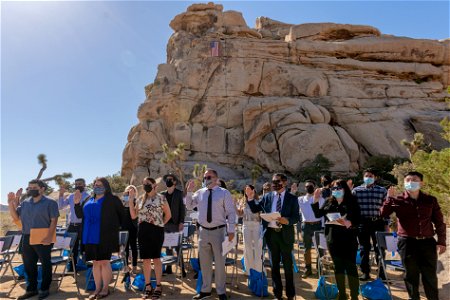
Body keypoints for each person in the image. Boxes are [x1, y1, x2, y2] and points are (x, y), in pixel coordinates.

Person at [380, 171, 446, 300]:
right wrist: (388, 199)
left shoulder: (430, 200)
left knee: (430, 276)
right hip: (407, 243)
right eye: (408, 180)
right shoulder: (396, 200)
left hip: (427, 243)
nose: (411, 182)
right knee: (411, 276)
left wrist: (442, 241)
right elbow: (383, 214)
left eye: (414, 179)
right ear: (404, 183)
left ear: (421, 182)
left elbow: (439, 222)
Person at [246, 173, 300, 300]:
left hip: (285, 235)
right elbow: (255, 209)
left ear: (284, 182)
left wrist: (287, 221)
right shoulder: (268, 196)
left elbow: (296, 217)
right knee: (274, 266)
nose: (275, 184)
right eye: (273, 182)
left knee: (287, 266)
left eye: (277, 182)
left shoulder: (292, 198)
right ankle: (278, 294)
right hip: (271, 235)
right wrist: (250, 198)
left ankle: (290, 295)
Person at [185, 169, 236, 300]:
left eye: (209, 177)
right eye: (204, 177)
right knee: (205, 263)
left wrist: (231, 230)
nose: (206, 179)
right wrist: (189, 191)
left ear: (216, 178)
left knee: (219, 263)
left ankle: (221, 291)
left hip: (219, 232)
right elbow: (189, 206)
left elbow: (231, 212)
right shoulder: (199, 193)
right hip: (202, 232)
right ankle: (205, 290)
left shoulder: (224, 193)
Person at [7, 179, 59, 300]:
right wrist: (10, 203)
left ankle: (45, 289)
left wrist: (49, 237)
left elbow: (54, 220)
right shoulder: (25, 203)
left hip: (44, 237)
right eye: (29, 188)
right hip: (26, 236)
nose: (31, 190)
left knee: (45, 264)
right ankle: (31, 289)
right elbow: (16, 217)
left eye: (34, 187)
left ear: (42, 189)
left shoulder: (50, 203)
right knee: (29, 265)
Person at [74, 177, 124, 299]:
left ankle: (105, 288)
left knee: (104, 262)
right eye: (95, 185)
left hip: (105, 236)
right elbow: (80, 215)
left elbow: (122, 216)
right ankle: (97, 289)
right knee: (95, 263)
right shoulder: (88, 199)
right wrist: (76, 204)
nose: (97, 187)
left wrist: (116, 231)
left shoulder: (113, 200)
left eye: (99, 185)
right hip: (89, 236)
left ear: (106, 186)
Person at [311, 179, 361, 300]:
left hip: (349, 239)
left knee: (350, 267)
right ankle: (342, 294)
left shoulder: (352, 202)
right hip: (333, 239)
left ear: (345, 189)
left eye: (338, 188)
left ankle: (354, 295)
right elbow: (318, 214)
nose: (336, 191)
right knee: (338, 267)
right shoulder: (329, 202)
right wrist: (315, 200)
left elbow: (359, 220)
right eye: (334, 189)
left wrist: (349, 223)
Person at [129, 177, 171, 300]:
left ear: (154, 185)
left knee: (156, 259)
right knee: (146, 260)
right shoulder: (141, 199)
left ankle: (158, 286)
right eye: (144, 184)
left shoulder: (161, 198)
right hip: (143, 231)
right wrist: (131, 200)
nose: (145, 185)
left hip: (156, 231)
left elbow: (168, 214)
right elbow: (133, 216)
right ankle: (148, 286)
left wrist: (160, 224)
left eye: (148, 183)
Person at [351, 168, 387, 281]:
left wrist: (387, 224)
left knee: (379, 249)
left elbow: (386, 209)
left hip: (378, 222)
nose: (368, 178)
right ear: (363, 177)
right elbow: (352, 209)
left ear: (375, 177)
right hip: (363, 223)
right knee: (364, 249)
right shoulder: (356, 191)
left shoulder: (382, 191)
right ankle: (365, 272)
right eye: (366, 175)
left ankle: (382, 273)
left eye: (371, 176)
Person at [58, 178, 90, 272]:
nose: (77, 185)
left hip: (83, 225)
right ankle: (73, 267)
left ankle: (88, 266)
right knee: (72, 247)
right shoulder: (71, 196)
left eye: (80, 184)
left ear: (84, 185)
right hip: (72, 225)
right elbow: (60, 206)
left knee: (85, 247)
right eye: (76, 184)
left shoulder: (88, 197)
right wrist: (61, 194)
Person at [161, 173, 186, 277]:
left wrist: (181, 222)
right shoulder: (162, 194)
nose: (168, 181)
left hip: (176, 224)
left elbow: (182, 209)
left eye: (170, 179)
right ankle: (169, 267)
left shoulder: (179, 193)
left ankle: (182, 268)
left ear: (174, 182)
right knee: (168, 246)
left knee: (177, 246)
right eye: (167, 179)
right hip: (165, 224)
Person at [298, 180, 324, 278]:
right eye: (307, 186)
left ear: (315, 187)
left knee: (320, 248)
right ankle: (307, 269)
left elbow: (322, 214)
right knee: (306, 249)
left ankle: (319, 268)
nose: (309, 187)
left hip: (318, 225)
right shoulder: (300, 199)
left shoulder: (321, 199)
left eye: (311, 186)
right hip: (306, 226)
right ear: (305, 188)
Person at [236, 185, 262, 276]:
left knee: (258, 248)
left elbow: (257, 212)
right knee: (247, 248)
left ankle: (258, 269)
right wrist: (235, 207)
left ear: (253, 190)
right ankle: (248, 269)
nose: (247, 192)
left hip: (256, 225)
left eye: (249, 190)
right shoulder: (242, 201)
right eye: (246, 190)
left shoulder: (258, 201)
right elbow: (240, 214)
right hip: (246, 225)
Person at [121, 185, 139, 272]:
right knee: (125, 247)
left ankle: (134, 265)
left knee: (133, 246)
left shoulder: (137, 201)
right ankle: (125, 266)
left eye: (132, 191)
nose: (129, 193)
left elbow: (135, 215)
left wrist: (132, 200)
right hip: (123, 227)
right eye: (128, 191)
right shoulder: (122, 201)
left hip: (133, 227)